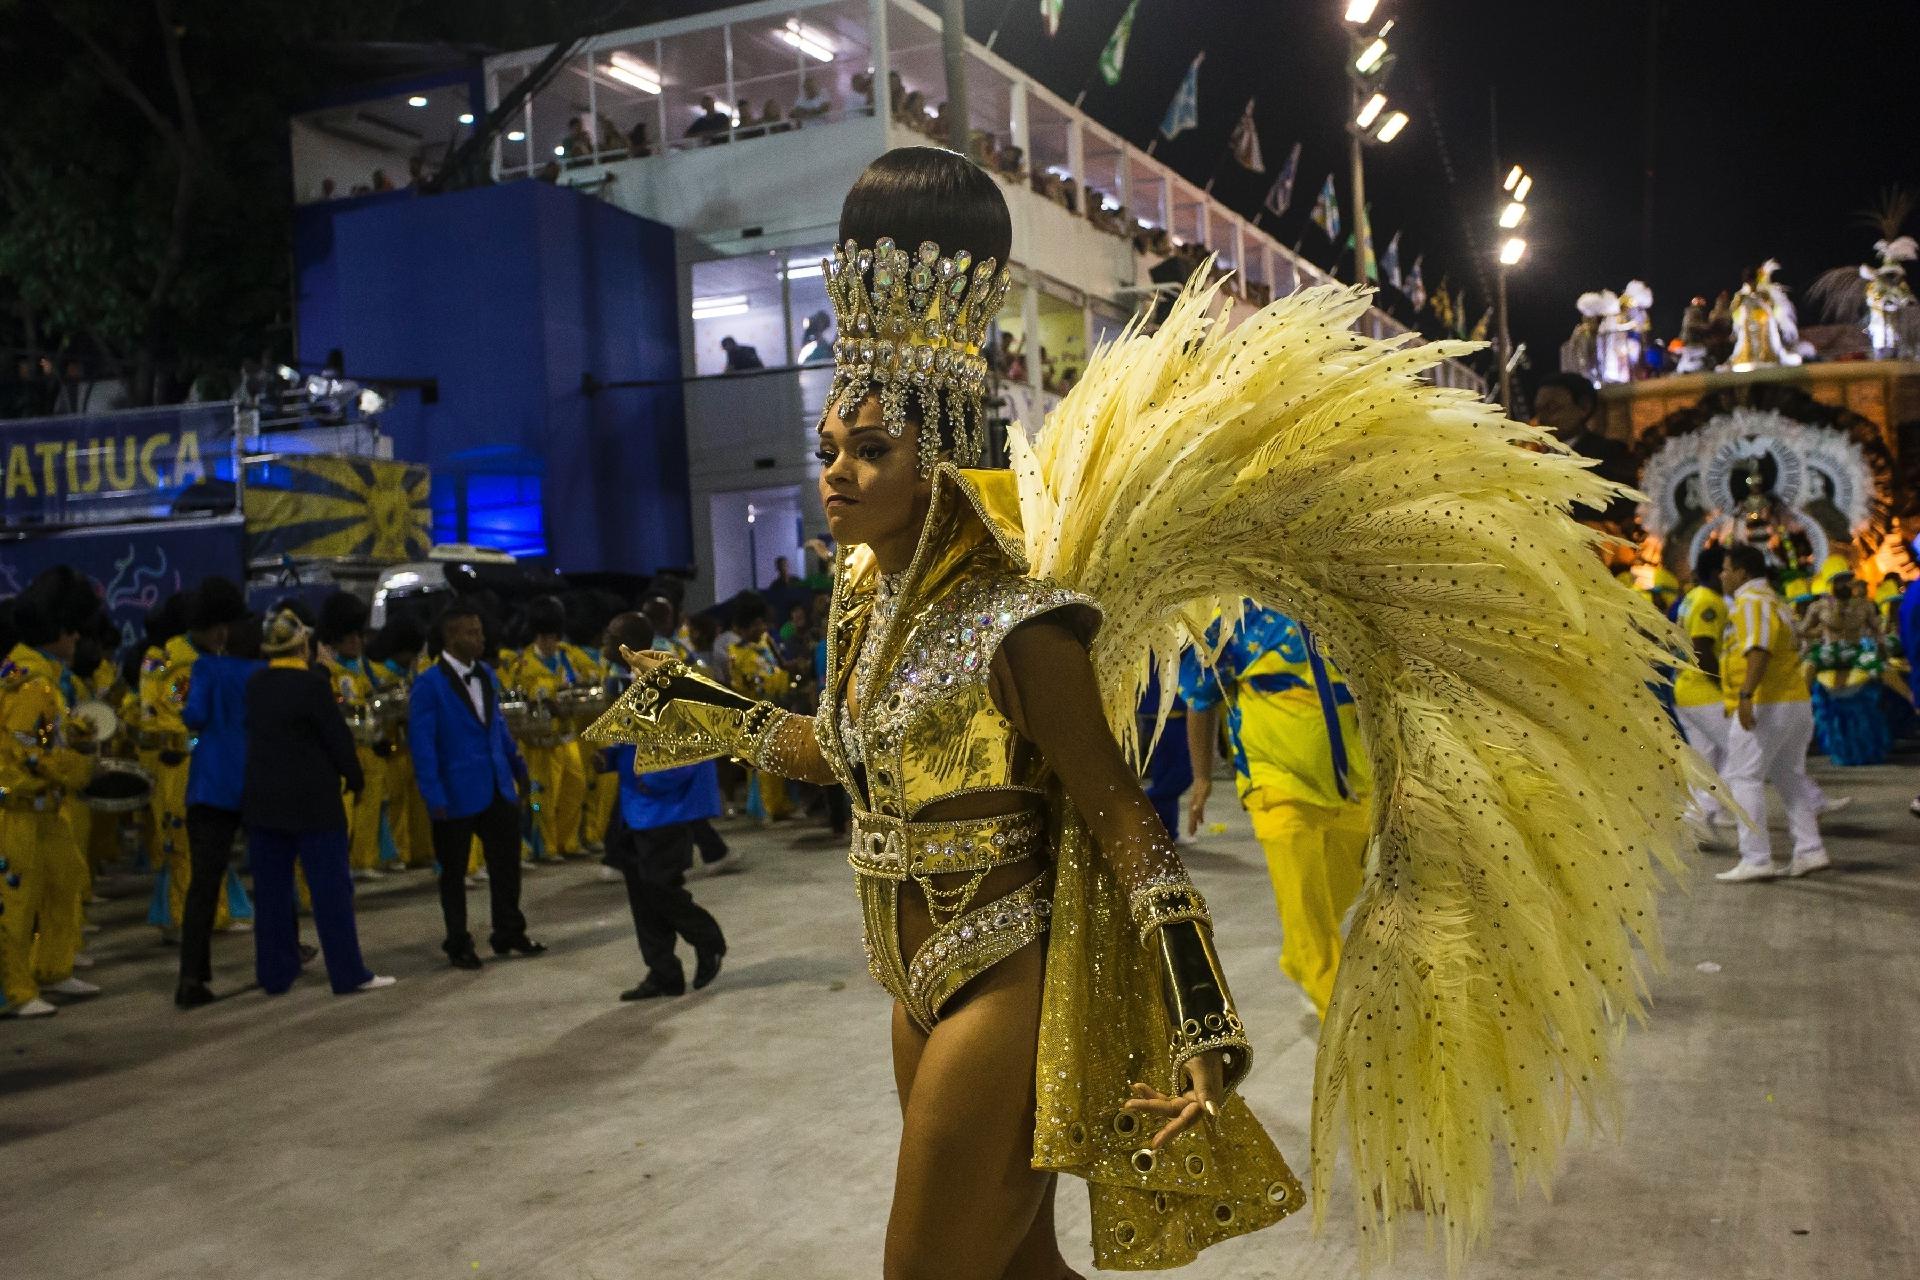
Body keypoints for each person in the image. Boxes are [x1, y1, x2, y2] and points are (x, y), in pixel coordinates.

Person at [588, 145, 1704, 1272]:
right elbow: (832, 753)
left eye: (872, 450)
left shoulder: (1024, 624)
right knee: (1020, 1268)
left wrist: (1202, 1017)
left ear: (943, 460)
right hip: (908, 979)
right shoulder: (863, 604)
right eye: (831, 448)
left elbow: (1128, 821)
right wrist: (689, 706)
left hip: (999, 978)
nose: (835, 473)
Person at [1182, 607, 1371, 1020]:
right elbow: (1200, 699)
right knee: (1306, 909)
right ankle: (1349, 1027)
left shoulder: (1337, 610)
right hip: (1275, 786)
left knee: (1336, 893)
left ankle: (1300, 957)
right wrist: (1201, 777)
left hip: (1351, 786)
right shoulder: (1233, 621)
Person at [242, 610, 393, 997]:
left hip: (263, 802)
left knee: (273, 895)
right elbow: (336, 737)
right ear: (305, 645)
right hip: (314, 803)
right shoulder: (313, 685)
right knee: (330, 893)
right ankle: (348, 973)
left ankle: (275, 974)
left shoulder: (255, 684)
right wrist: (355, 777)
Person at [409, 601, 544, 970]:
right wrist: (433, 792)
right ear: (451, 637)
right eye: (472, 632)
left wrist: (516, 764)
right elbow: (422, 744)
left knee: (507, 864)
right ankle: (457, 941)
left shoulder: (485, 673)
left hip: (496, 785)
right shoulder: (428, 685)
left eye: (480, 631)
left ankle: (508, 931)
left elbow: (496, 725)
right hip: (454, 792)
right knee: (453, 873)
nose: (481, 638)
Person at [600, 612, 727, 1000]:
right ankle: (662, 971)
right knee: (640, 890)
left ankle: (707, 938)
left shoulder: (667, 675)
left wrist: (652, 780)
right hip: (634, 803)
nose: (603, 642)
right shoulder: (621, 678)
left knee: (659, 886)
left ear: (628, 643)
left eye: (611, 636)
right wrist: (608, 759)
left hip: (664, 803)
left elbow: (687, 740)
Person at [0, 567, 104, 1018]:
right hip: (17, 810)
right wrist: (79, 767)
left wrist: (74, 734)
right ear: (61, 630)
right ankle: (15, 990)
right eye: (75, 630)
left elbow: (44, 738)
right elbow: (28, 752)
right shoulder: (30, 682)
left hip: (45, 810)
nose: (80, 639)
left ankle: (54, 967)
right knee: (16, 903)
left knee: (67, 881)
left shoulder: (39, 675)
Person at [1713, 544, 1831, 882]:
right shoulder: (1777, 601)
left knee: (1743, 778)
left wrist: (1746, 695)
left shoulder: (1751, 602)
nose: (1722, 575)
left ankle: (1756, 858)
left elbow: (1758, 649)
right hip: (1794, 700)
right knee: (1789, 776)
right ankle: (1810, 849)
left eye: (1726, 568)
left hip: (1767, 702)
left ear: (1743, 573)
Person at [144, 579, 254, 939]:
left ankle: (216, 913)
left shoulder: (211, 660)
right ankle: (183, 919)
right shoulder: (175, 665)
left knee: (208, 849)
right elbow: (170, 718)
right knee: (184, 844)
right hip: (182, 767)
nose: (225, 634)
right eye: (220, 626)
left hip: (211, 767)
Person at [175, 613, 268, 1008]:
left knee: (203, 886)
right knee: (271, 875)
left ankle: (192, 976)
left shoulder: (206, 667)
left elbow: (193, 716)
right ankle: (279, 958)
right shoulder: (266, 674)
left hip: (210, 786)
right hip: (257, 784)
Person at [504, 597, 587, 861]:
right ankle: (545, 845)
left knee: (575, 787)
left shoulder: (569, 656)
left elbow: (592, 676)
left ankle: (569, 841)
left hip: (566, 735)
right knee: (542, 796)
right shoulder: (523, 665)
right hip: (538, 742)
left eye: (553, 635)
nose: (550, 642)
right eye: (545, 636)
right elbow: (519, 700)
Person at [318, 592, 387, 881]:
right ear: (335, 639)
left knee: (370, 809)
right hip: (345, 751)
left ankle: (364, 860)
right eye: (350, 637)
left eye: (359, 636)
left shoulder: (363, 670)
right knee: (344, 813)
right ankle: (339, 864)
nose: (357, 642)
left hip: (368, 747)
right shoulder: (328, 672)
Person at [1673, 546, 1734, 828]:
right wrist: (1723, 685)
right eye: (1726, 569)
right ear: (1714, 572)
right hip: (1704, 691)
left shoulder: (1692, 597)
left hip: (1685, 688)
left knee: (1709, 757)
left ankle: (1707, 813)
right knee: (1740, 751)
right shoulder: (1709, 601)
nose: (1729, 575)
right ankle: (1702, 813)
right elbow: (1702, 649)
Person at [1530, 371, 1637, 524]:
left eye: (1552, 408)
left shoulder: (1608, 455)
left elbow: (1615, 508)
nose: (1542, 418)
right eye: (1539, 410)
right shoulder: (1532, 455)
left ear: (1584, 408)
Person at [724, 596, 791, 822]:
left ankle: (781, 804)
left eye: (761, 622)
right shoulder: (736, 652)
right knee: (759, 761)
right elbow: (747, 683)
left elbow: (778, 666)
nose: (760, 628)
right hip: (753, 712)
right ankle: (765, 808)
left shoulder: (766, 642)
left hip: (777, 707)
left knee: (778, 759)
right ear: (740, 628)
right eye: (754, 624)